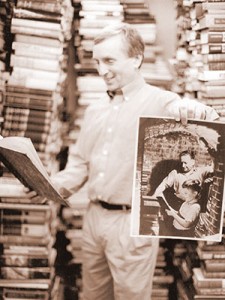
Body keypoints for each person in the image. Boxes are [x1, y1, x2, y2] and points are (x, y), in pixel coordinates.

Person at [25, 23, 219, 300]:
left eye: (110, 60)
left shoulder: (162, 102)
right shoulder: (95, 109)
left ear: (136, 58)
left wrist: (191, 109)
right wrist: (49, 187)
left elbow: (200, 115)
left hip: (132, 225)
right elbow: (79, 164)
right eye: (97, 61)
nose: (101, 70)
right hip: (93, 218)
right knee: (93, 295)